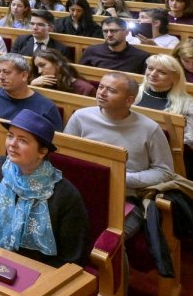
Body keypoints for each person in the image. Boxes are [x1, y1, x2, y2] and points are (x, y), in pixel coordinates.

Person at [0, 110, 90, 268]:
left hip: (40, 271)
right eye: (10, 136)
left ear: (43, 151)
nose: (12, 144)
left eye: (23, 140)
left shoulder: (65, 194)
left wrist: (34, 271)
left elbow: (72, 253)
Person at [65, 73, 175, 237]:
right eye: (101, 87)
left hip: (126, 198)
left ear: (129, 100)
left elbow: (164, 172)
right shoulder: (80, 117)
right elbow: (66, 158)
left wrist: (123, 178)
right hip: (81, 191)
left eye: (111, 90)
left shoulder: (149, 129)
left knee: (105, 243)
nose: (101, 92)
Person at [0, 54, 63, 129]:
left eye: (6, 72)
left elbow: (57, 145)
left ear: (24, 75)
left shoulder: (46, 107)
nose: (1, 77)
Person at [79, 17, 149, 73]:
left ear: (126, 32)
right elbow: (80, 74)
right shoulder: (91, 51)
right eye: (105, 31)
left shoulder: (141, 56)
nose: (109, 35)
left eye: (114, 31)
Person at [31, 48, 95, 96]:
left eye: (42, 65)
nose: (39, 71)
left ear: (58, 64)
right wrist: (32, 87)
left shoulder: (86, 89)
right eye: (37, 67)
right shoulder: (40, 84)